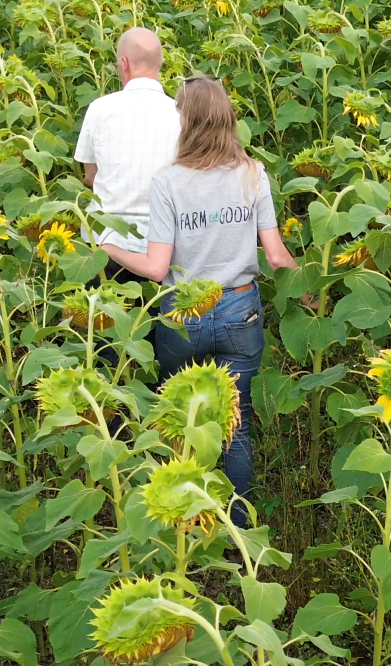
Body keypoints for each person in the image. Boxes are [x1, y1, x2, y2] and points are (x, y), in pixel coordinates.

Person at [101, 75, 298, 527]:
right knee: (236, 425)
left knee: (179, 421)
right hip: (239, 310)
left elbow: (155, 267)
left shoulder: (169, 181)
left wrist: (108, 247)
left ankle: (184, 521)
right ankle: (238, 531)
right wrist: (305, 290)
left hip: (182, 317)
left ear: (184, 121)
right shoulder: (253, 173)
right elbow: (275, 255)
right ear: (228, 117)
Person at [74, 27, 181, 284]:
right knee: (156, 320)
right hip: (162, 247)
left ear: (124, 63)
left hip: (106, 242)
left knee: (103, 320)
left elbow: (90, 177)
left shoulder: (99, 109)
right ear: (160, 64)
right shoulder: (181, 114)